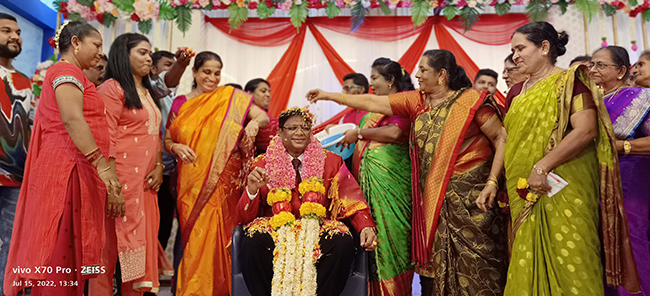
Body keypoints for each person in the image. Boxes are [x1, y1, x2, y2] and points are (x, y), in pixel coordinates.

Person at [307, 49, 510, 295]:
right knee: (434, 264)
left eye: (423, 69)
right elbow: (372, 101)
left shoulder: (470, 101)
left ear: (441, 74)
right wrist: (328, 95)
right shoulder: (417, 101)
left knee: (476, 261)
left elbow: (501, 137)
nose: (417, 74)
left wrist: (491, 182)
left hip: (472, 197)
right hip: (432, 199)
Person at [504, 22, 640, 295]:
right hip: (522, 188)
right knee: (524, 260)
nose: (515, 55)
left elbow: (586, 129)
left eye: (521, 48)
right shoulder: (516, 93)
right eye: (513, 50)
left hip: (563, 187)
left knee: (572, 259)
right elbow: (508, 140)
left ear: (544, 48)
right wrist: (494, 180)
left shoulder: (570, 82)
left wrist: (542, 167)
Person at [4, 20, 122, 296]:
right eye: (96, 45)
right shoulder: (65, 70)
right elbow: (71, 119)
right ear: (76, 43)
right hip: (65, 172)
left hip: (76, 170)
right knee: (59, 249)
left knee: (70, 251)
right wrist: (102, 166)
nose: (100, 52)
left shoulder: (77, 74)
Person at [237, 107, 378, 296]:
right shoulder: (262, 164)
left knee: (342, 240)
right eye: (292, 128)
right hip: (275, 228)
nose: (299, 133)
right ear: (280, 132)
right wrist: (252, 190)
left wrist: (366, 226)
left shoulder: (331, 161)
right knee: (253, 239)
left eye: (305, 128)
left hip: (318, 226)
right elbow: (243, 216)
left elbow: (350, 197)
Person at [164, 51, 270, 296]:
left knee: (223, 234)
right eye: (206, 72)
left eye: (217, 73)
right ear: (194, 72)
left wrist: (254, 123)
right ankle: (193, 289)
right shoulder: (181, 102)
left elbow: (262, 116)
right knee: (195, 236)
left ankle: (225, 288)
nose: (212, 78)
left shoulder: (231, 98)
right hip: (192, 179)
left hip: (224, 181)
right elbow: (168, 138)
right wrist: (176, 147)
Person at [88, 33, 172, 295]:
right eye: (143, 52)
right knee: (107, 252)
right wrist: (113, 188)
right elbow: (105, 140)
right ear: (125, 55)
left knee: (135, 253)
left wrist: (159, 165)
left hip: (144, 186)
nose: (149, 58)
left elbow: (154, 134)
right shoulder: (112, 89)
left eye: (150, 53)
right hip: (118, 185)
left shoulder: (146, 92)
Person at [333, 57, 414, 295]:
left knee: (393, 242)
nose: (372, 83)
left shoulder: (402, 105)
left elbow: (396, 132)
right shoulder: (375, 109)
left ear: (390, 81)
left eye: (375, 78)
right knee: (370, 241)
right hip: (370, 189)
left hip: (392, 187)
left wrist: (359, 132)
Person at [588, 46, 650, 296]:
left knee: (631, 243)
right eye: (591, 65)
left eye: (601, 65)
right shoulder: (592, 102)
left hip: (630, 180)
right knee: (603, 246)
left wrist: (621, 146)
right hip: (596, 184)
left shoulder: (641, 98)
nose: (593, 70)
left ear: (622, 70)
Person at [0, 13, 34, 294]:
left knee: (11, 245)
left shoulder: (25, 81)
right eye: (5, 30)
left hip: (17, 179)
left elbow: (30, 129)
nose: (15, 36)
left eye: (18, 31)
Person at [149, 49, 191, 251]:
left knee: (165, 221)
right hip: (150, 169)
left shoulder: (171, 98)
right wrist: (181, 65)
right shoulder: (150, 90)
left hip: (168, 169)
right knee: (149, 223)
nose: (172, 70)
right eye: (168, 65)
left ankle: (156, 268)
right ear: (153, 68)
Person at [245, 78, 278, 155]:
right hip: (258, 159)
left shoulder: (265, 113)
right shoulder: (246, 109)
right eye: (263, 91)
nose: (268, 95)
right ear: (249, 94)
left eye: (269, 92)